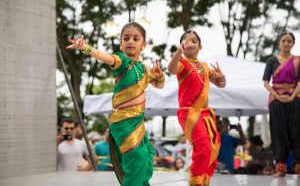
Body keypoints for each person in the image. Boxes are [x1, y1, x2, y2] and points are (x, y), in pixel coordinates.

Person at [66, 22, 165, 186]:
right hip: (123, 121)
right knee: (137, 159)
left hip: (138, 121)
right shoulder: (122, 61)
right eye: (126, 38)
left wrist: (159, 76)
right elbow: (105, 57)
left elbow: (160, 85)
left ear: (144, 44)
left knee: (147, 158)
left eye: (135, 38)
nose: (130, 42)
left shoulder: (145, 69)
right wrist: (86, 48)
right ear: (121, 43)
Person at [168, 30, 226, 186]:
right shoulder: (182, 64)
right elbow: (171, 69)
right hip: (189, 114)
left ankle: (205, 179)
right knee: (204, 147)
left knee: (214, 146)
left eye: (194, 41)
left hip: (205, 113)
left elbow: (221, 85)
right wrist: (178, 52)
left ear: (200, 46)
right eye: (186, 41)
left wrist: (221, 77)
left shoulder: (205, 67)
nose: (190, 43)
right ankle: (196, 181)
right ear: (182, 45)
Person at [262, 31, 300, 177]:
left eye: (289, 41)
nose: (286, 43)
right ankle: (281, 168)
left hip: (295, 99)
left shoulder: (298, 60)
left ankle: (298, 166)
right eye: (283, 40)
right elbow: (266, 82)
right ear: (279, 43)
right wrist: (277, 95)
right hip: (276, 100)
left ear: (293, 44)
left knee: (297, 131)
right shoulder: (272, 61)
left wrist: (292, 97)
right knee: (278, 132)